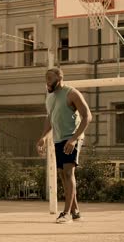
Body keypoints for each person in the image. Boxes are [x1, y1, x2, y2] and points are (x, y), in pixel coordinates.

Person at [36, 68, 92, 224]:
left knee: (68, 173)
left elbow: (87, 116)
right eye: (45, 78)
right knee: (62, 174)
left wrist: (74, 139)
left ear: (59, 78)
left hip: (71, 138)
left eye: (49, 78)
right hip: (58, 139)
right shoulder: (49, 96)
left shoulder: (72, 93)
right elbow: (50, 118)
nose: (47, 81)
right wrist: (43, 137)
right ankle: (76, 212)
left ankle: (66, 213)